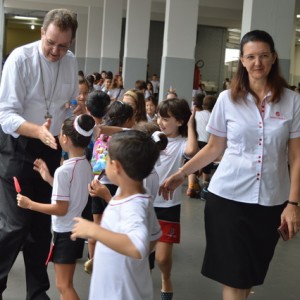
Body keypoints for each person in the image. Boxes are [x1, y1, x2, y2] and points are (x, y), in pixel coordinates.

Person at [159, 30, 300, 300]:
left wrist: (293, 205)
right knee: (234, 274)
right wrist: (182, 173)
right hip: (228, 198)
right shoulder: (227, 99)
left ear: (273, 58)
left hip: (271, 200)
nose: (257, 62)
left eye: (263, 55)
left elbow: (296, 156)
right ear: (242, 62)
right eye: (250, 57)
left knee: (247, 274)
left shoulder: (293, 102)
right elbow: (214, 147)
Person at [0, 8, 78, 299]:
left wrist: (71, 109)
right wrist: (37, 130)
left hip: (52, 146)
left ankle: (37, 293)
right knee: (16, 224)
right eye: (51, 43)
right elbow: (5, 115)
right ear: (42, 33)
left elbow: (66, 99)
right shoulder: (20, 59)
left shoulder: (69, 61)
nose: (56, 50)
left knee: (43, 225)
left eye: (63, 45)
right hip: (18, 145)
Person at [71, 130, 163, 300]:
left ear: (117, 167)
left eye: (106, 159)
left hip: (121, 293)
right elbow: (154, 235)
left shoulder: (133, 206)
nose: (104, 162)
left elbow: (137, 246)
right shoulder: (134, 195)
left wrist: (93, 230)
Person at [17, 114, 95, 300]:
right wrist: (48, 177)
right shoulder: (85, 165)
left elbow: (60, 208)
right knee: (65, 285)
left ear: (65, 139)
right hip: (74, 229)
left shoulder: (63, 170)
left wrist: (30, 204)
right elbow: (69, 194)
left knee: (64, 286)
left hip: (64, 233)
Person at [153, 98, 198, 300]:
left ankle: (165, 278)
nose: (160, 122)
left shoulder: (181, 144)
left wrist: (191, 126)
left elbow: (191, 152)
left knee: (162, 257)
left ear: (179, 121)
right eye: (159, 117)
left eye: (165, 118)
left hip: (168, 206)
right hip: (145, 203)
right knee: (140, 254)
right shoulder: (152, 137)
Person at [85, 100, 134, 273]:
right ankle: (109, 263)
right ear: (127, 120)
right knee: (115, 226)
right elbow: (131, 132)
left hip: (97, 181)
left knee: (97, 224)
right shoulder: (123, 136)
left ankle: (92, 262)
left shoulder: (101, 134)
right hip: (114, 185)